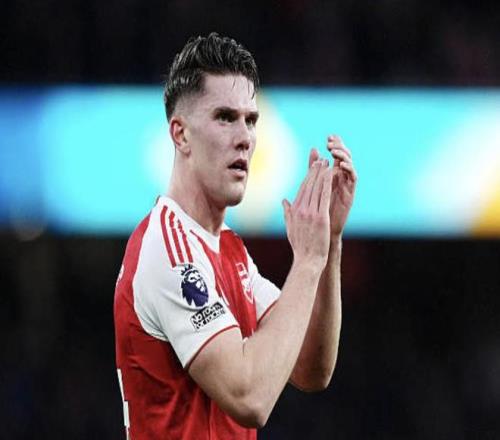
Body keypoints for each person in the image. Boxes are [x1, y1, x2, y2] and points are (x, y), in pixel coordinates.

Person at [114, 32, 357, 440]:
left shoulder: (230, 251)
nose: (244, 137)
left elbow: (311, 368)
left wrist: (329, 243)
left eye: (251, 120)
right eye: (225, 117)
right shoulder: (168, 249)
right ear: (180, 135)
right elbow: (251, 399)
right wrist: (307, 260)